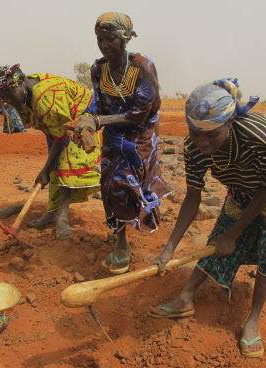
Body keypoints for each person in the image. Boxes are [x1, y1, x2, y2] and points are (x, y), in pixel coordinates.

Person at [148, 79, 266, 358]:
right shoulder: (194, 147)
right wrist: (169, 248)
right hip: (243, 179)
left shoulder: (259, 139)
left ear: (230, 122)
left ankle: (253, 319)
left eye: (212, 135)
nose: (203, 143)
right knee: (221, 230)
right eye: (196, 133)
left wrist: (234, 234)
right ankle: (184, 298)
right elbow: (194, 195)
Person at [73, 12, 170, 274]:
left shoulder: (142, 67)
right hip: (114, 134)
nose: (104, 45)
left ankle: (124, 242)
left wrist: (98, 121)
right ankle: (121, 237)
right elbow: (99, 103)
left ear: (125, 40)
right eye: (99, 39)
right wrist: (87, 119)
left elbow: (140, 113)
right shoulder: (98, 69)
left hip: (141, 135)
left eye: (110, 40)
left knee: (124, 180)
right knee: (109, 184)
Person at [0, 64, 101, 239]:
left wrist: (44, 170)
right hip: (58, 121)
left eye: (9, 95)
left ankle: (62, 217)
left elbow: (61, 137)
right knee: (55, 164)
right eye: (3, 97)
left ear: (19, 85)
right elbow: (51, 131)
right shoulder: (25, 90)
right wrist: (49, 168)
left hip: (81, 115)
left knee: (65, 164)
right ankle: (52, 212)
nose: (8, 101)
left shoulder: (45, 99)